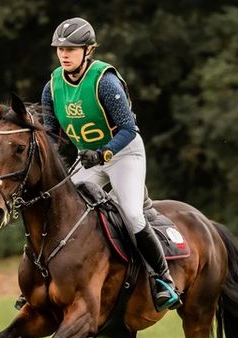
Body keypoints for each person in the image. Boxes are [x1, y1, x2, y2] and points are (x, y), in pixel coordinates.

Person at [41, 17, 181, 312]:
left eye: (72, 48)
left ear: (88, 50)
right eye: (60, 49)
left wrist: (104, 153)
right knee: (59, 208)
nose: (64, 54)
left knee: (131, 214)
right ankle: (47, 278)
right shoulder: (52, 87)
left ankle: (162, 279)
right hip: (88, 158)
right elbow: (52, 135)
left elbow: (129, 129)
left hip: (123, 155)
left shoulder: (105, 81)